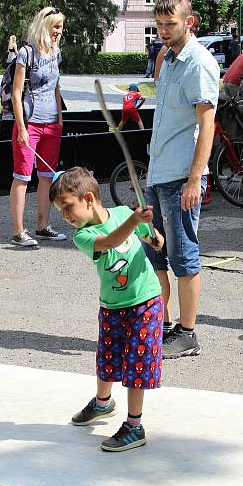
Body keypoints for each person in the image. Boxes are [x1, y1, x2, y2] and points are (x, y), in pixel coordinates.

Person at [49, 166, 165, 452]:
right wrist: (135, 220)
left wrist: (153, 235)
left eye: (67, 207)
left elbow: (151, 236)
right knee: (107, 359)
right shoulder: (83, 236)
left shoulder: (125, 214)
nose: (66, 217)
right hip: (112, 306)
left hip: (146, 301)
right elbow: (111, 241)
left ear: (88, 198)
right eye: (61, 211)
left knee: (136, 362)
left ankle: (134, 426)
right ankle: (103, 403)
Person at [146, 0, 218, 358]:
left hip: (181, 175)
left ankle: (188, 333)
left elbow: (207, 125)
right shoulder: (167, 57)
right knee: (155, 253)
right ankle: (161, 326)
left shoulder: (199, 62)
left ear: (190, 22)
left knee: (183, 254)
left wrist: (194, 179)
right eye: (158, 24)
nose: (162, 30)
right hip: (160, 171)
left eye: (169, 24)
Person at [9, 7, 67, 247]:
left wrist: (60, 117)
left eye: (61, 27)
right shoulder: (26, 53)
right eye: (55, 26)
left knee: (46, 177)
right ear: (44, 25)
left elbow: (56, 86)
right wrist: (21, 127)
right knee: (22, 177)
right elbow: (16, 92)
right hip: (30, 123)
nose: (59, 32)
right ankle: (19, 231)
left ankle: (43, 226)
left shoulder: (56, 52)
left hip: (52, 124)